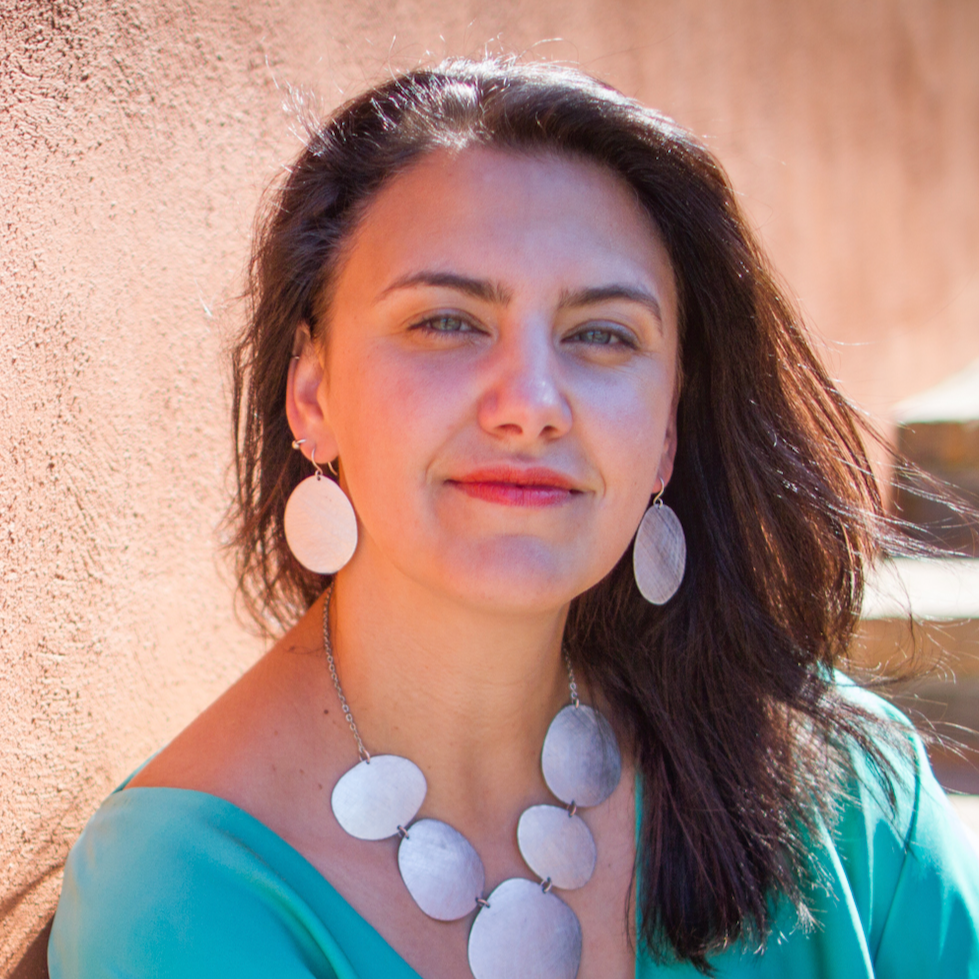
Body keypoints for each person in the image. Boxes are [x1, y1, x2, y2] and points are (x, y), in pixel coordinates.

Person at [48, 57, 979, 978]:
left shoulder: (848, 793)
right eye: (446, 321)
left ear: (664, 432)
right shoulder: (180, 897)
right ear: (312, 394)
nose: (531, 402)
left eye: (602, 334)